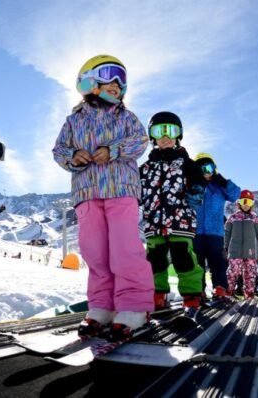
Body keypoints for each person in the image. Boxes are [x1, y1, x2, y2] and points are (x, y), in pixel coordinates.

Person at [52, 54, 153, 341]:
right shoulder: (73, 121)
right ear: (88, 82)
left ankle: (134, 307)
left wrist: (114, 150)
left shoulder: (126, 117)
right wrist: (73, 156)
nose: (118, 83)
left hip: (121, 189)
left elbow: (140, 141)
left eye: (122, 78)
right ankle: (101, 307)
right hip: (87, 192)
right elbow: (58, 150)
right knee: (95, 252)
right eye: (110, 74)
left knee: (124, 249)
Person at [140, 111, 207, 314]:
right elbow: (135, 189)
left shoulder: (187, 163)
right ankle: (157, 295)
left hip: (180, 221)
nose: (166, 136)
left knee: (183, 258)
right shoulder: (145, 168)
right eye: (160, 131)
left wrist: (196, 189)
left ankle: (192, 296)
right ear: (152, 136)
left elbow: (199, 180)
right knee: (154, 260)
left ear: (179, 135)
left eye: (171, 131)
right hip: (154, 222)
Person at [193, 152, 241, 299]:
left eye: (208, 168)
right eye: (201, 168)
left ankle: (220, 287)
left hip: (215, 232)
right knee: (197, 262)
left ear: (214, 169)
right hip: (196, 231)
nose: (205, 172)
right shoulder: (193, 186)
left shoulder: (219, 186)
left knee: (217, 262)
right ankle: (197, 290)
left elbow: (235, 194)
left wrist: (223, 181)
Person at [224, 190, 258, 300]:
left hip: (250, 250)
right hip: (234, 250)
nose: (246, 205)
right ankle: (229, 291)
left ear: (252, 204)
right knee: (233, 271)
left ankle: (249, 294)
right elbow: (227, 233)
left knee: (250, 273)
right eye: (244, 201)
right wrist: (225, 247)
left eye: (249, 202)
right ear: (239, 202)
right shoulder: (233, 217)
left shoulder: (254, 218)